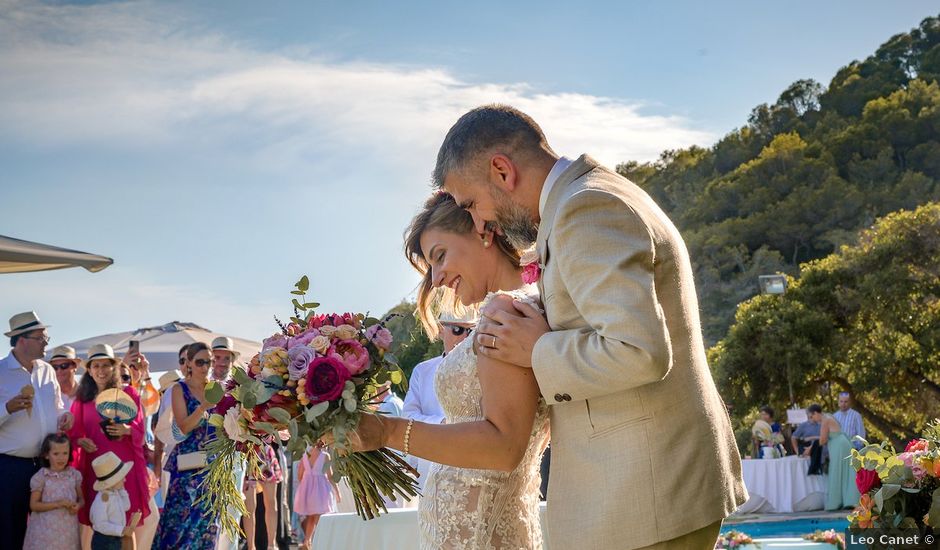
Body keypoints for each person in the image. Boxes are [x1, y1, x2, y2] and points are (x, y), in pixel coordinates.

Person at [437, 105, 746, 548]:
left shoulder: (587, 208)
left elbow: (638, 350)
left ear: (502, 171)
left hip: (643, 496)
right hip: (642, 491)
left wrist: (536, 350)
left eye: (471, 204)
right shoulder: (589, 197)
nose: (480, 223)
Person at [343, 192, 550, 548]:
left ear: (482, 231)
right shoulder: (506, 311)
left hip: (484, 536)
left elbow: (503, 446)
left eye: (440, 256)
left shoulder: (507, 314)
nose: (437, 278)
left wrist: (388, 431)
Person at [1, 311, 74, 549]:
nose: (46, 342)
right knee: (9, 531)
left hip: (45, 465)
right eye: (41, 338)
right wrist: (7, 408)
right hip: (10, 467)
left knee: (46, 530)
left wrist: (64, 416)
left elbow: (57, 406)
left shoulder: (47, 370)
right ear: (22, 340)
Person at [69, 343, 150, 550]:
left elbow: (141, 431)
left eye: (106, 365)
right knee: (100, 523)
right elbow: (73, 433)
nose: (101, 371)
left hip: (124, 468)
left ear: (114, 367)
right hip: (96, 467)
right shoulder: (82, 400)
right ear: (88, 370)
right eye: (96, 366)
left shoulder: (128, 394)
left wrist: (127, 430)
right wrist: (80, 441)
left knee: (126, 524)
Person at [153, 342, 220, 549]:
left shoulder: (217, 389)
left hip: (212, 468)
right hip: (186, 468)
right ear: (188, 363)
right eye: (200, 362)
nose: (205, 367)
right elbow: (182, 427)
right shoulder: (178, 389)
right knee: (178, 527)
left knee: (208, 528)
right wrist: (203, 408)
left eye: (209, 362)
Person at [401, 311, 475, 492]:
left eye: (471, 331)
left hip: (473, 461)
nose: (466, 336)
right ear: (441, 330)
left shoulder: (486, 370)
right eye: (458, 330)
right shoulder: (423, 371)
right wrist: (441, 423)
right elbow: (407, 416)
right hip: (431, 462)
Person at [210, 336, 247, 550]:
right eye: (217, 357)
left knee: (233, 507)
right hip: (207, 455)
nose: (222, 362)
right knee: (210, 509)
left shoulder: (240, 388)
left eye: (226, 358)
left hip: (234, 455)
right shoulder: (202, 386)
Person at [24, 432, 83, 550]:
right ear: (46, 455)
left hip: (67, 532)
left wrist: (78, 506)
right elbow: (34, 505)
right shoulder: (41, 477)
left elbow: (81, 499)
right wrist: (58, 503)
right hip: (44, 533)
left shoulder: (74, 475)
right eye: (56, 454)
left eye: (65, 453)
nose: (61, 458)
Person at [807, 404, 861, 510]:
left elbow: (823, 440)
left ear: (816, 413)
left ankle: (836, 502)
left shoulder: (825, 420)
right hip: (842, 443)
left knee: (837, 470)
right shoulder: (828, 416)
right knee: (845, 471)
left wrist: (810, 449)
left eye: (811, 417)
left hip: (839, 446)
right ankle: (848, 500)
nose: (811, 419)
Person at [89, 452, 141, 550]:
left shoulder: (115, 493)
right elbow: (100, 525)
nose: (125, 480)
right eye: (121, 478)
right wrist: (121, 530)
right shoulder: (102, 499)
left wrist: (122, 490)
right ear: (111, 481)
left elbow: (126, 506)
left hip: (115, 538)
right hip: (104, 541)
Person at [293, 443, 339, 550]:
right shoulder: (325, 455)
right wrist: (337, 491)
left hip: (307, 489)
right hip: (321, 490)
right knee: (319, 518)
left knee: (311, 517)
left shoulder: (305, 455)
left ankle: (307, 541)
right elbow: (330, 475)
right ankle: (321, 542)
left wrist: (306, 483)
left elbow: (300, 475)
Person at [50, 345, 81, 410]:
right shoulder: (47, 396)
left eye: (64, 366)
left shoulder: (87, 394)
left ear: (75, 367)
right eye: (55, 367)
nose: (59, 370)